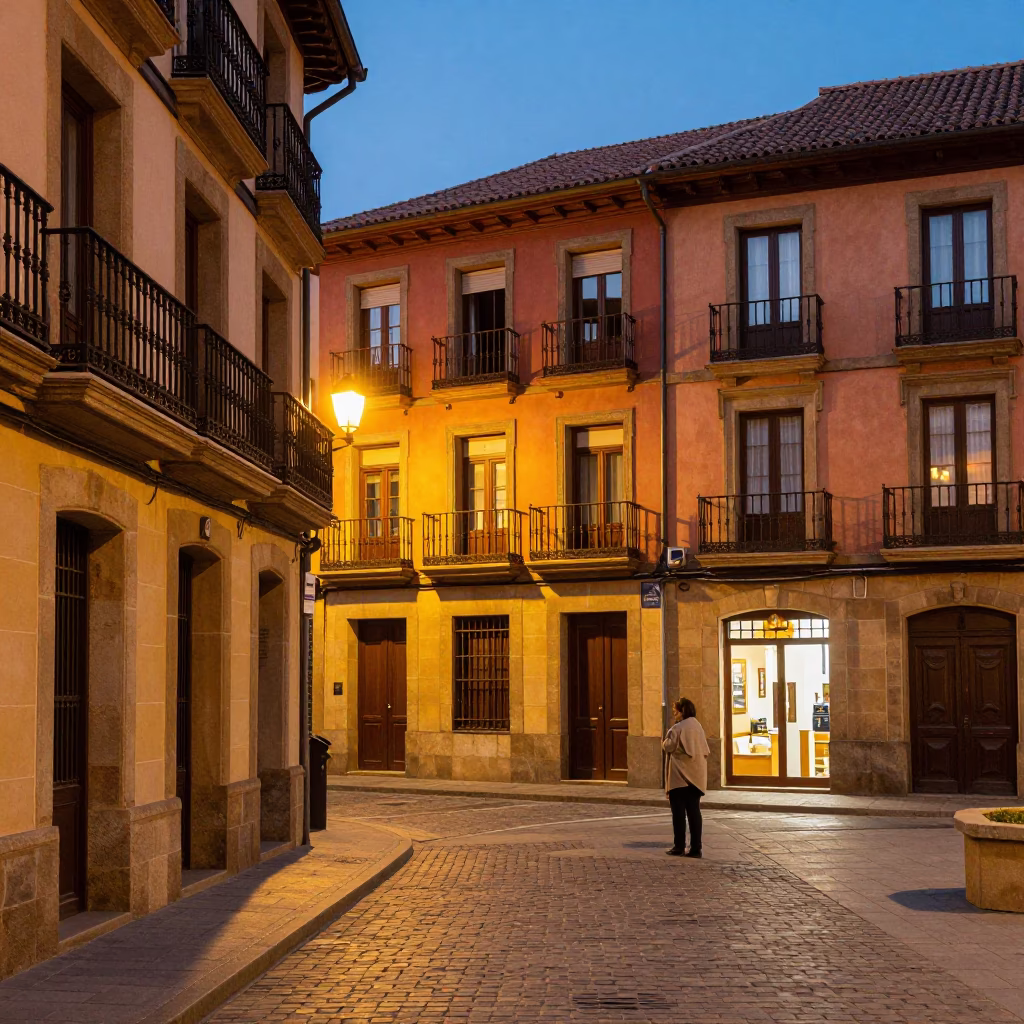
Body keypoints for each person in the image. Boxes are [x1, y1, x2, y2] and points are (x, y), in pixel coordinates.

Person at [662, 697, 709, 858]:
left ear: (682, 712)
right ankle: (696, 848)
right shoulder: (698, 726)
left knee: (678, 814)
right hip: (696, 777)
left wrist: (664, 741)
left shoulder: (678, 728)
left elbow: (668, 746)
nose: (674, 714)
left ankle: (679, 846)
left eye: (676, 711)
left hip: (679, 777)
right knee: (694, 812)